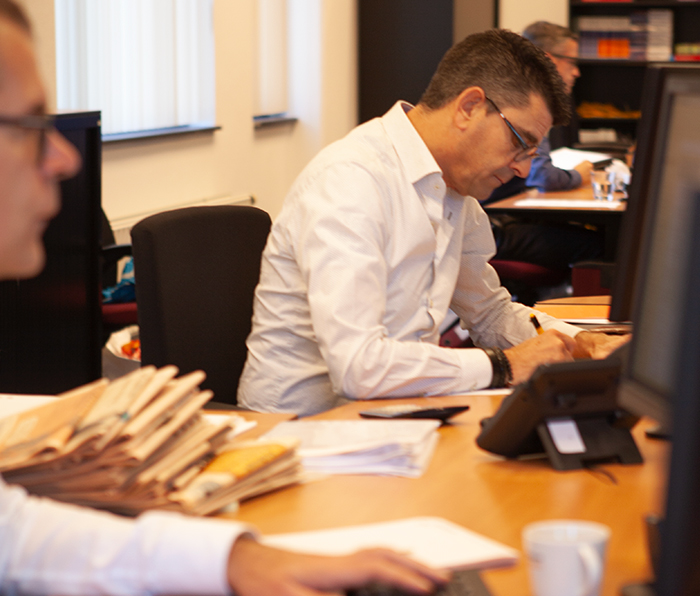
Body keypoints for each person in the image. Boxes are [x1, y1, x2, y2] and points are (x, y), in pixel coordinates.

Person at [0, 2, 449, 594]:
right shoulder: (354, 177)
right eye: (31, 127)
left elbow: (15, 533)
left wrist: (235, 561)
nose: (66, 157)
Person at [237, 29, 627, 416]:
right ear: (469, 107)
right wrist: (505, 365)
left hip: (395, 415)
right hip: (299, 430)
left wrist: (584, 342)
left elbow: (491, 313)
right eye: (519, 142)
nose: (524, 169)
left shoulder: (454, 190)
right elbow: (359, 367)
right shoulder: (351, 181)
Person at [484, 22, 604, 273]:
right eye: (572, 62)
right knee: (600, 245)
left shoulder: (512, 93)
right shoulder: (526, 104)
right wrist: (579, 175)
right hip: (492, 229)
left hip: (497, 219)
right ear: (548, 60)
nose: (577, 72)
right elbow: (542, 176)